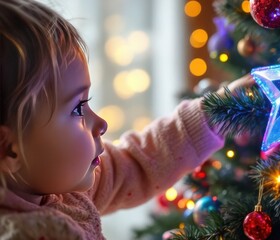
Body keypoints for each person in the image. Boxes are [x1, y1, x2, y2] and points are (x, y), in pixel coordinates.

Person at [0, 0, 254, 238]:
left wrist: (218, 110)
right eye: (78, 109)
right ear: (9, 150)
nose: (101, 124)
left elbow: (139, 161)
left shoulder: (63, 185)